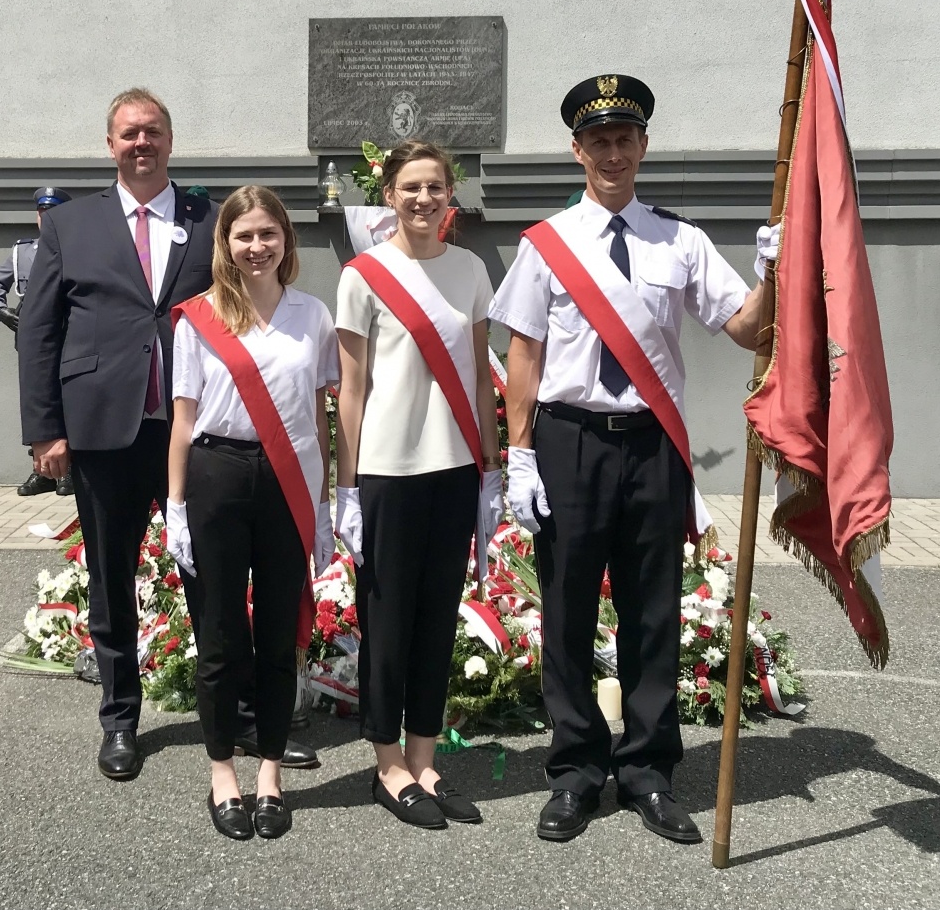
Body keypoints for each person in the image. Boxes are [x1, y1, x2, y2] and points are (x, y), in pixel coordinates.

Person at [490, 74, 772, 845]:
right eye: (599, 141)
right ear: (577, 151)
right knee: (568, 610)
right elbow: (524, 354)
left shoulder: (679, 240)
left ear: (643, 146)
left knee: (654, 612)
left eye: (626, 139)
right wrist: (518, 457)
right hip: (570, 440)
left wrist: (773, 276)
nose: (613, 153)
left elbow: (745, 329)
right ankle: (577, 772)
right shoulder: (545, 244)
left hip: (651, 444)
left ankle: (648, 772)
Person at [16, 87, 320, 781]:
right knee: (111, 581)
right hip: (102, 431)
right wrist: (45, 429)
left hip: (199, 432)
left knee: (211, 581)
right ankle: (121, 718)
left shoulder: (213, 220)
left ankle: (243, 717)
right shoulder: (71, 226)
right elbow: (39, 333)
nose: (141, 143)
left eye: (152, 131)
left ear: (171, 139)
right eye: (128, 134)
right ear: (110, 144)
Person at [333, 140, 503, 831]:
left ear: (449, 193)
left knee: (438, 619)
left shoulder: (470, 271)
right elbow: (351, 389)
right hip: (387, 472)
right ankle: (387, 765)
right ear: (389, 194)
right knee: (389, 624)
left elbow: (479, 376)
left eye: (435, 186)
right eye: (411, 188)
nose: (424, 199)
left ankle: (425, 757)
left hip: (456, 469)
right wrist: (344, 489)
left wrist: (493, 472)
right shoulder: (363, 275)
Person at [166, 186, 338, 841]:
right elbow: (181, 424)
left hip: (288, 479)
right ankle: (222, 777)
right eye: (245, 236)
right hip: (217, 474)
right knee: (219, 639)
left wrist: (322, 507)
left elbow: (321, 422)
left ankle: (268, 776)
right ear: (226, 245)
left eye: (269, 234)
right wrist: (176, 508)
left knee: (275, 638)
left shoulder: (313, 316)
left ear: (286, 241)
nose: (257, 246)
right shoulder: (199, 318)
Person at [0, 186, 73, 497]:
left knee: (67, 395)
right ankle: (42, 470)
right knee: (36, 397)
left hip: (67, 328)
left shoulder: (76, 248)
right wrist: (0, 310)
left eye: (52, 212)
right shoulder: (23, 251)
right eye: (41, 212)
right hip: (32, 328)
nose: (45, 217)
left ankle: (68, 470)